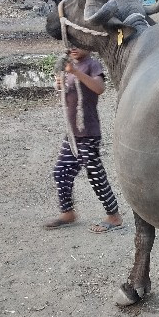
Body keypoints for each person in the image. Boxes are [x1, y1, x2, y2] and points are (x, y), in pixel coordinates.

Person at [44, 47, 123, 232]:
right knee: (60, 172)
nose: (74, 48)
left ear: (88, 45)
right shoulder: (69, 65)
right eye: (71, 45)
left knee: (95, 175)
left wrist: (75, 72)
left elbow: (99, 88)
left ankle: (114, 216)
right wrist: (60, 83)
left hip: (88, 133)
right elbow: (68, 90)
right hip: (72, 134)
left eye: (78, 44)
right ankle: (68, 212)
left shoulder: (92, 64)